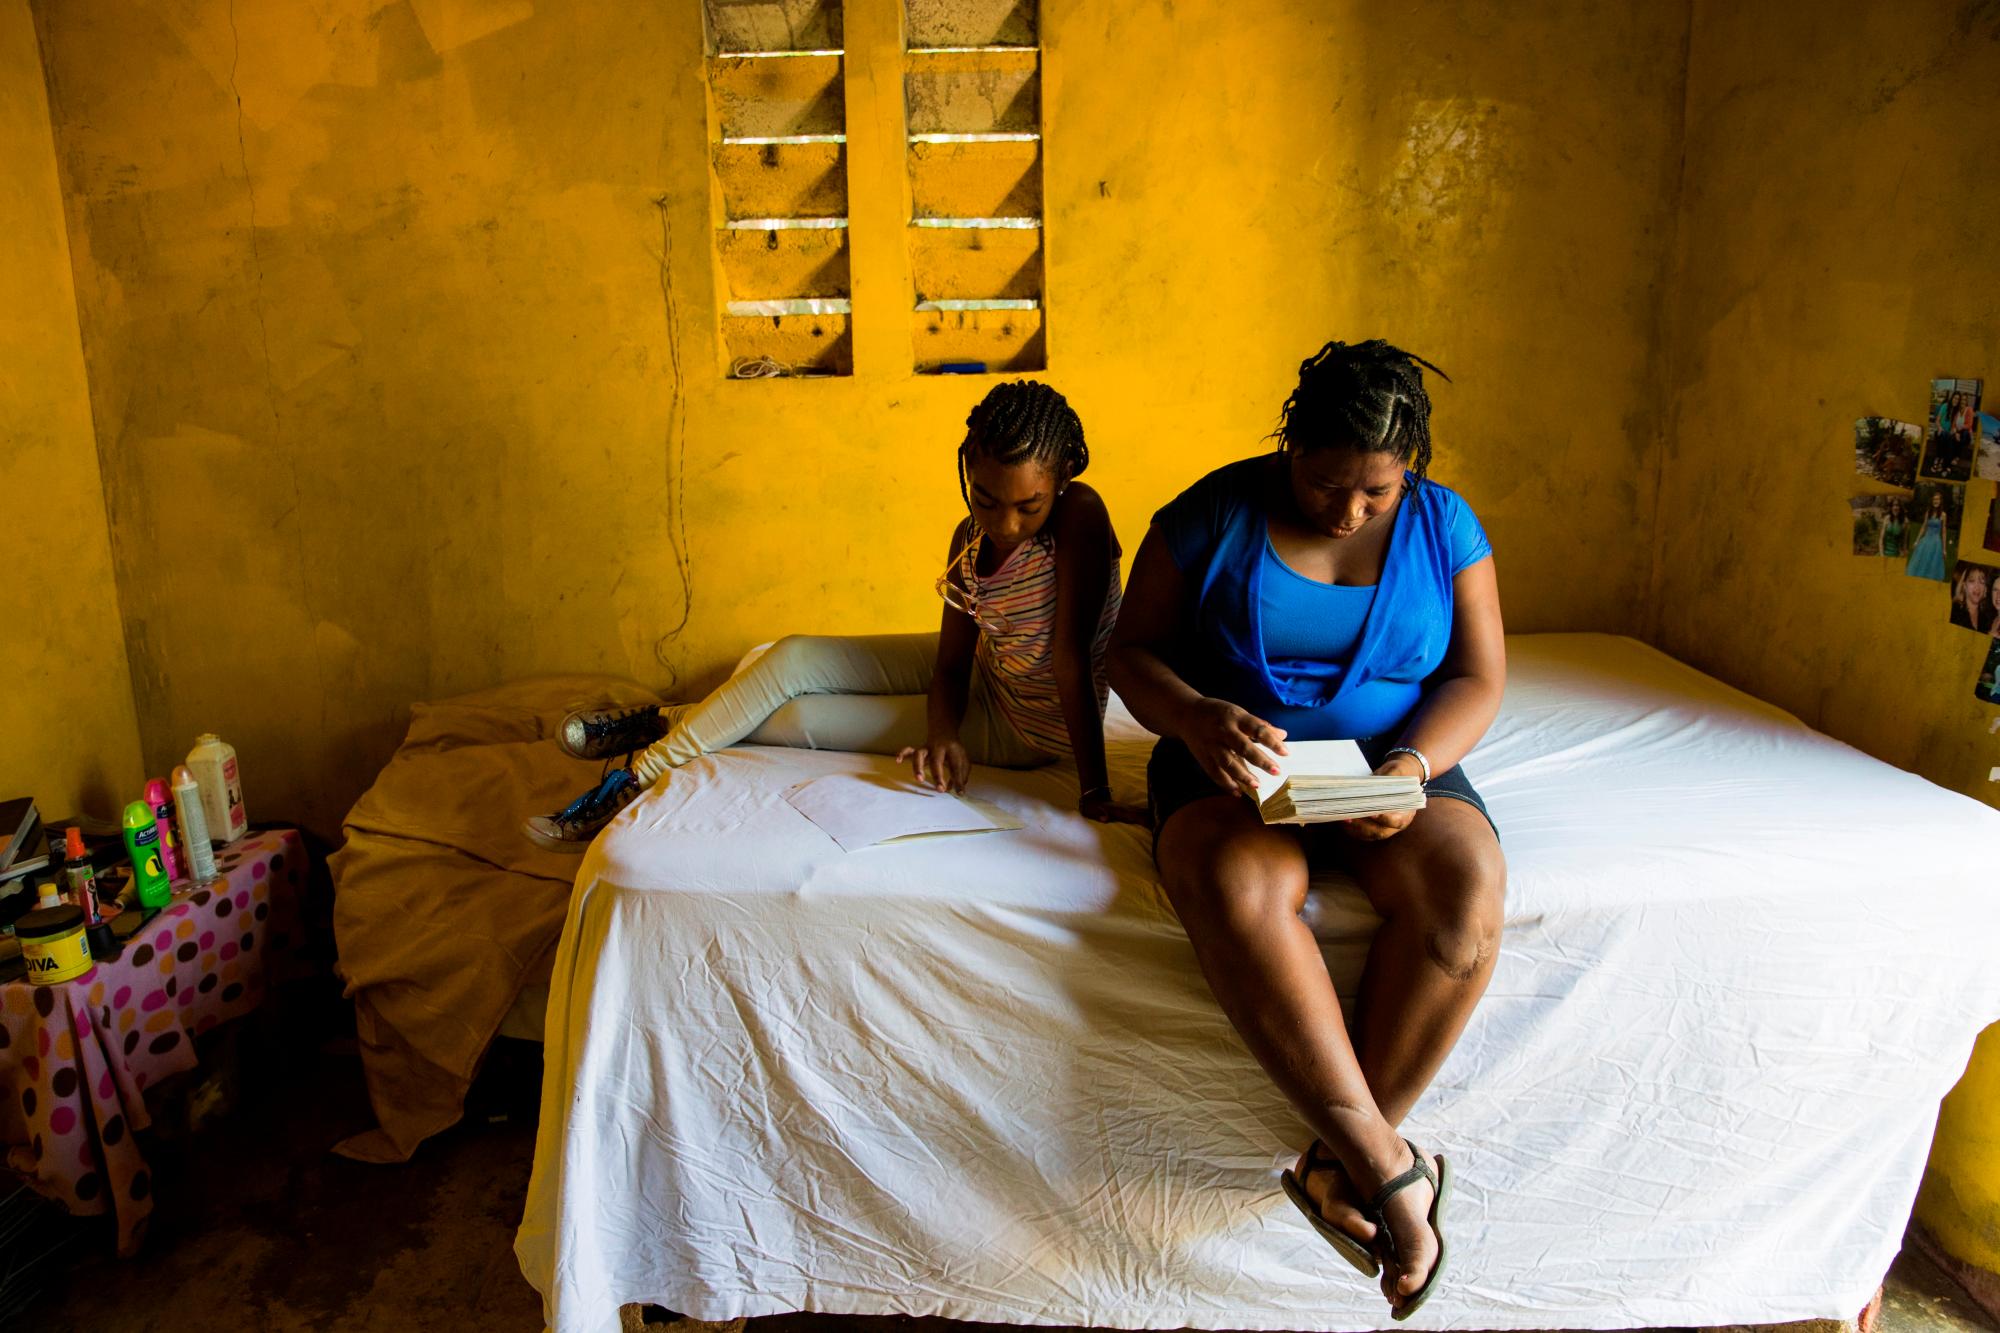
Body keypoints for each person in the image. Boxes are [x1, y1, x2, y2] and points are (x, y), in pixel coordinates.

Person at [1107, 339, 1504, 1320]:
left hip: (1394, 767)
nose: (1346, 509)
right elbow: (1130, 652)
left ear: (1407, 467)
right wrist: (1197, 717)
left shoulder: (1445, 526)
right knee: (1239, 885)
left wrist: (1410, 770)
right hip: (1234, 770)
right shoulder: (1210, 514)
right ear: (1290, 446)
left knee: (1463, 898)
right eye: (1325, 482)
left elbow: (1475, 677)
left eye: (1375, 491)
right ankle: (1384, 1163)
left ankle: (1334, 1167)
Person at [524, 380, 1145, 848]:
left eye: (1027, 507)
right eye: (985, 499)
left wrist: (1094, 792)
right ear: (966, 474)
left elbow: (1070, 661)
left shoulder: (1082, 517)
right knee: (791, 655)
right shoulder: (968, 540)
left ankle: (647, 754)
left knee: (798, 720)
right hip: (987, 676)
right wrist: (942, 733)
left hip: (1033, 729)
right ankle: (652, 741)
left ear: (1062, 479)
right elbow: (952, 662)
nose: (1005, 524)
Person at [1907, 488, 1951, 581]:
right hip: (1926, 540)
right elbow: (1923, 527)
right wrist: (1916, 541)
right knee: (1921, 562)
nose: (1936, 501)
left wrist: (1944, 549)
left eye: (1938, 499)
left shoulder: (1943, 515)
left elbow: (1943, 532)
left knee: (1932, 564)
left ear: (1940, 501)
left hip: (1935, 543)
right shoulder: (1928, 512)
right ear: (1932, 501)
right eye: (1934, 499)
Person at [1951, 564, 1994, 633]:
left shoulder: (1988, 620)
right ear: (1964, 586)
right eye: (1972, 580)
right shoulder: (1953, 613)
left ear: (1985, 589)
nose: (1977, 587)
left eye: (1982, 582)